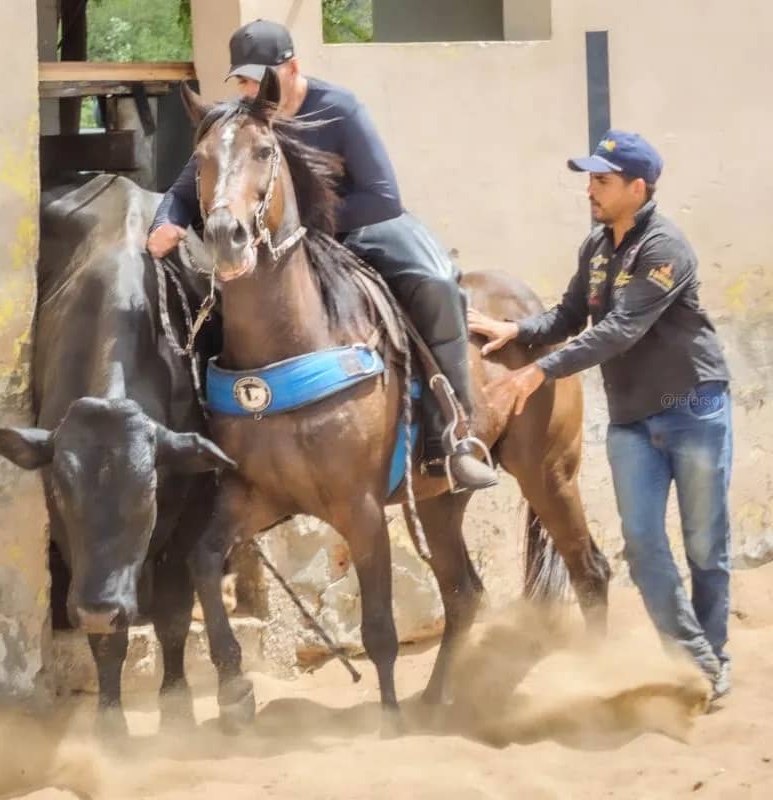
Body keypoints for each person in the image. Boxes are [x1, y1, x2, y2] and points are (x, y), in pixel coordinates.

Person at [148, 18, 497, 492]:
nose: (251, 89)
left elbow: (382, 197)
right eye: (244, 80)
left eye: (259, 78)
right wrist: (163, 223)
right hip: (279, 245)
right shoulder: (237, 122)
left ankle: (455, 435)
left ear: (291, 69)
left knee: (435, 282)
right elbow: (183, 190)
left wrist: (302, 227)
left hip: (361, 225)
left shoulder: (340, 109)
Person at [468, 130, 733, 699]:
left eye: (602, 181)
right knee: (641, 546)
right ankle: (697, 663)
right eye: (589, 178)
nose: (590, 189)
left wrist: (541, 370)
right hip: (633, 418)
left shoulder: (666, 249)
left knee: (705, 545)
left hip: (694, 408)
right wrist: (518, 332)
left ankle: (713, 654)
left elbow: (619, 330)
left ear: (637, 188)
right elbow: (570, 314)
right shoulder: (595, 247)